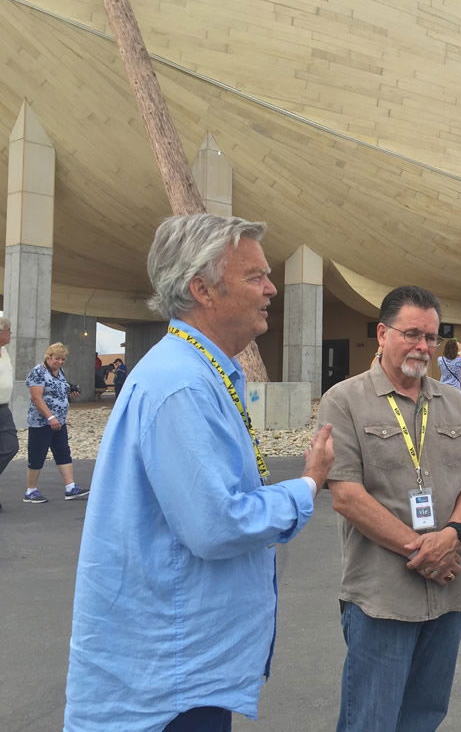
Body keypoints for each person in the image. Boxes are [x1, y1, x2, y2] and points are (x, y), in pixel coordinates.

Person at [64, 214, 335, 731]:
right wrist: (308, 483)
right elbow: (217, 524)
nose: (272, 288)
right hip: (170, 681)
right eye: (255, 276)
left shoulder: (196, 372)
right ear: (202, 289)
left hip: (181, 668)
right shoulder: (182, 384)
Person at [318, 285, 461, 732]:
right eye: (411, 333)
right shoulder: (344, 401)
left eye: (431, 337)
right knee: (370, 718)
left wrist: (452, 535)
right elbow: (345, 494)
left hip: (450, 584)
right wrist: (421, 550)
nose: (423, 347)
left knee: (425, 715)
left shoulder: (453, 402)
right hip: (383, 595)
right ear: (381, 333)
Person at [22, 342, 86, 503]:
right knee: (37, 455)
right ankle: (31, 490)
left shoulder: (60, 372)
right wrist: (50, 417)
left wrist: (71, 392)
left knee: (63, 452)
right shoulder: (38, 372)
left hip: (60, 421)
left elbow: (59, 392)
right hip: (42, 422)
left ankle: (70, 487)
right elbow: (36, 398)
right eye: (57, 358)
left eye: (63, 359)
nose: (60, 362)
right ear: (49, 356)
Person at [0, 317, 17, 511]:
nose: (11, 334)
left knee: (11, 446)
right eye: (9, 330)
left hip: (4, 408)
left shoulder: (4, 351)